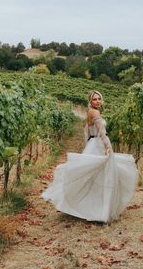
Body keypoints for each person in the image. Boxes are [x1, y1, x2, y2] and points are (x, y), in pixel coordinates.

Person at [42, 90, 138, 223]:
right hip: (99, 144)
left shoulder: (90, 112)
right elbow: (102, 133)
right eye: (95, 99)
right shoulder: (94, 112)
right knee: (102, 175)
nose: (98, 101)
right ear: (90, 101)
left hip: (94, 143)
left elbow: (88, 132)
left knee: (96, 176)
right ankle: (99, 210)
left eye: (99, 99)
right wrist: (108, 147)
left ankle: (95, 207)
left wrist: (90, 145)